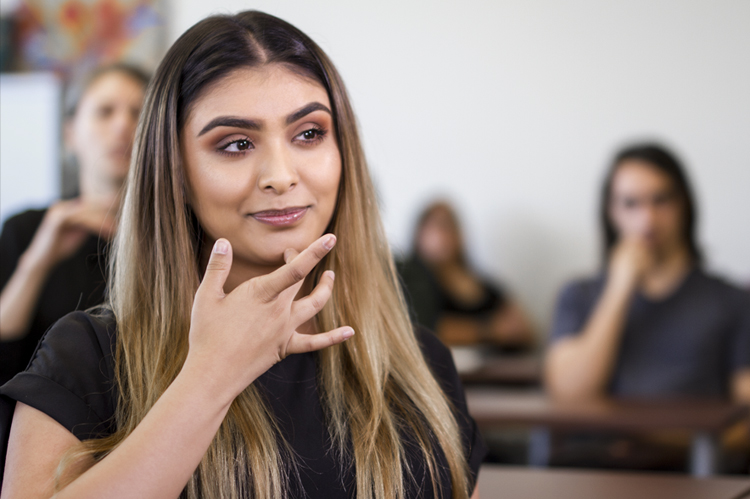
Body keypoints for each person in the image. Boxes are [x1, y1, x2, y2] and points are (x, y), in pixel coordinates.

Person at [0, 11, 485, 498]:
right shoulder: (86, 359)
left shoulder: (423, 365)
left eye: (309, 134)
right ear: (175, 174)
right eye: (235, 144)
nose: (280, 174)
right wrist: (211, 376)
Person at [544, 143, 750, 470]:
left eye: (661, 200)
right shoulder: (578, 294)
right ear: (611, 212)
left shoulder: (732, 300)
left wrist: (660, 436)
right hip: (598, 467)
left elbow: (745, 414)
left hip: (695, 467)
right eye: (631, 203)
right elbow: (570, 396)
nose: (647, 219)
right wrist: (619, 287)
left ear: (685, 204)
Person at [0, 64, 148, 385]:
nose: (123, 125)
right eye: (105, 112)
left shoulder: (176, 235)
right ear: (70, 135)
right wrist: (36, 262)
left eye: (137, 112)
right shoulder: (24, 229)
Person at [398, 201, 535, 349]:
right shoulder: (411, 281)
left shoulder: (480, 282)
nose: (444, 233)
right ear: (419, 233)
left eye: (451, 225)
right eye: (437, 225)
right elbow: (425, 328)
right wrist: (490, 331)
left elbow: (523, 328)